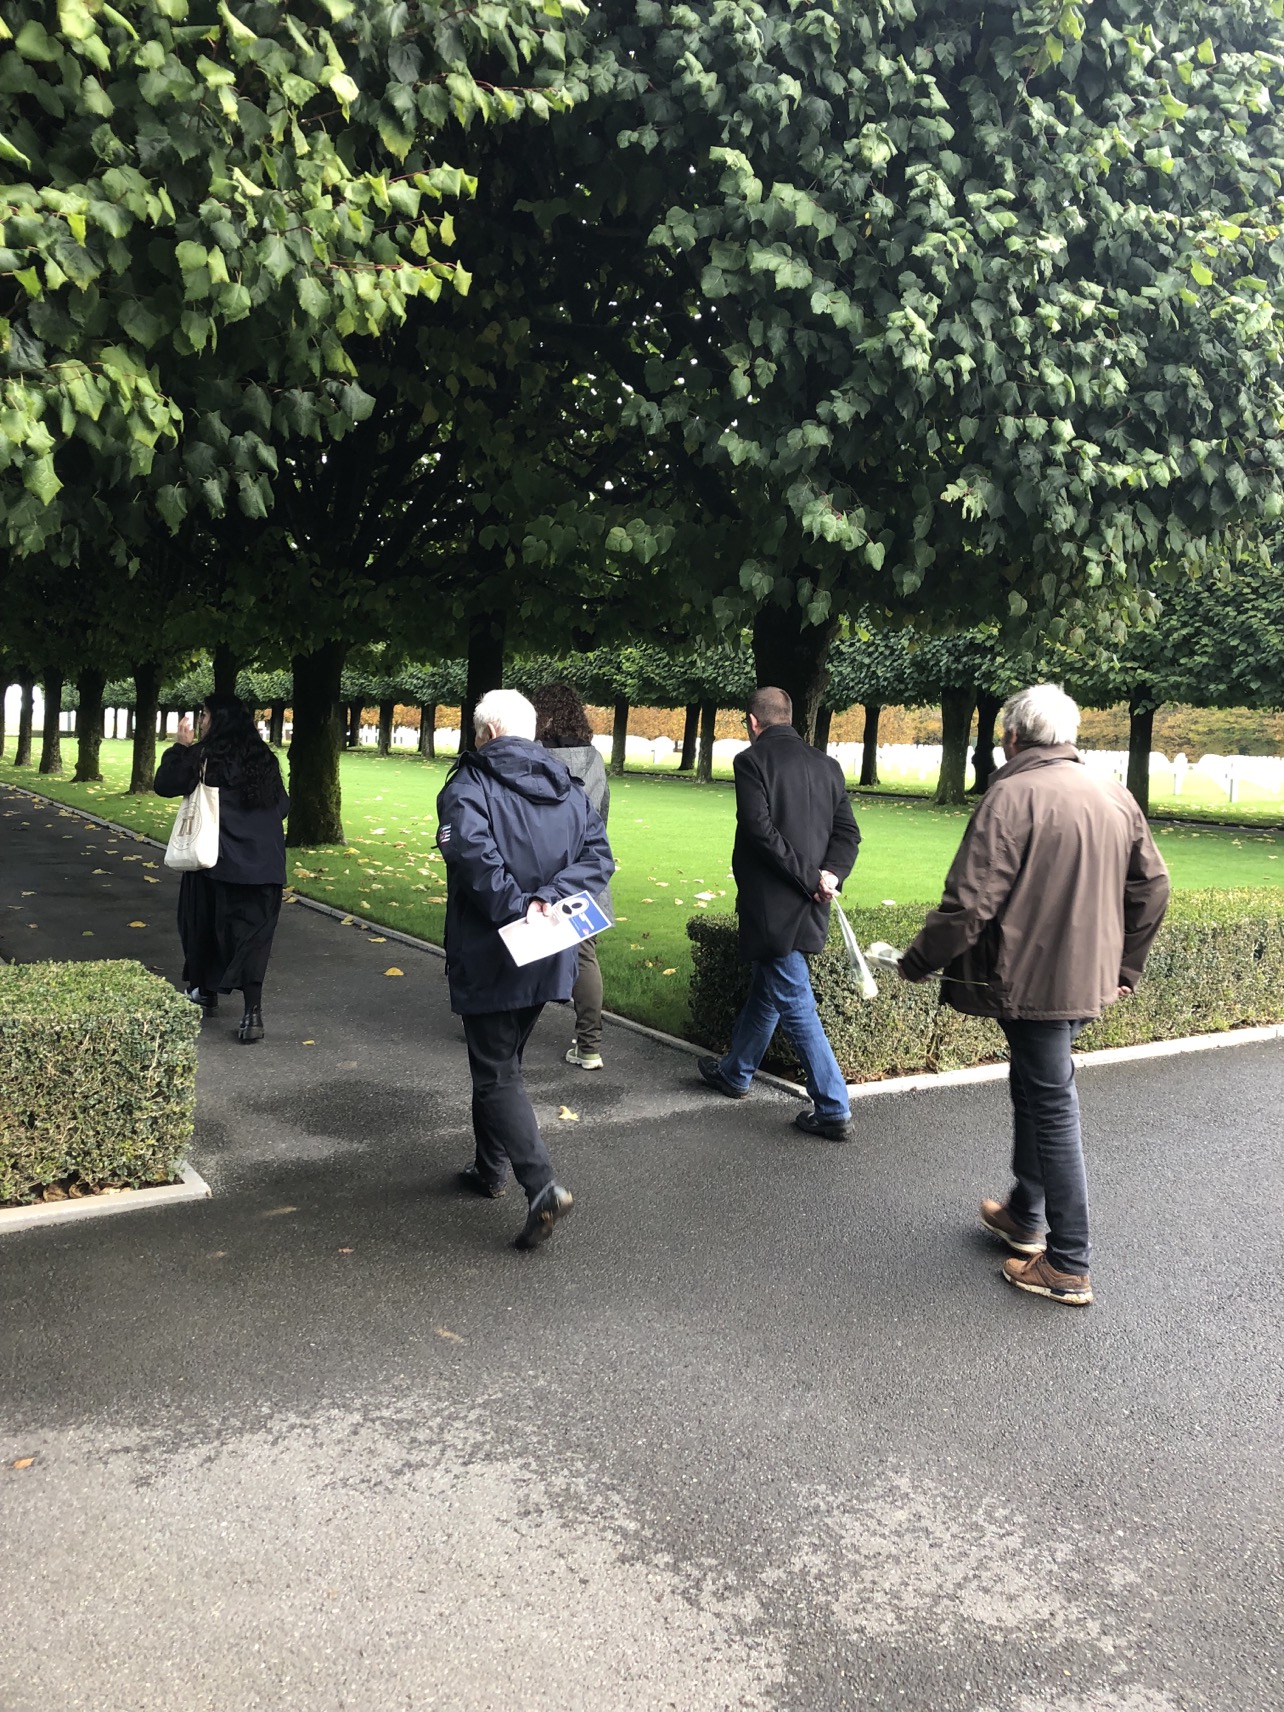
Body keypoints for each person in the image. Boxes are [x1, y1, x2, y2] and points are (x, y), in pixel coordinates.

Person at [898, 684, 1170, 1307]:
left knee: (1052, 1105)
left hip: (1032, 979)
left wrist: (918, 961)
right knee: (1036, 1087)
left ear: (1014, 736)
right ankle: (1026, 1212)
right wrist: (1125, 965)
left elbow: (970, 904)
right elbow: (1153, 887)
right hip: (1082, 978)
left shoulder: (1012, 793)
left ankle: (1069, 1261)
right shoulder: (1111, 792)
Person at [436, 689, 614, 1250]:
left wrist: (521, 908)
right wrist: (547, 902)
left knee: (496, 1072)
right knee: (501, 1063)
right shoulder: (570, 787)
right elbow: (599, 858)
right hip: (549, 945)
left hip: (495, 947)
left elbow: (471, 857)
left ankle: (540, 1186)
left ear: (485, 733)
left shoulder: (468, 783)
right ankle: (487, 1167)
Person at [697, 685, 861, 1141]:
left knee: (794, 1001)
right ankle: (736, 1072)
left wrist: (811, 878)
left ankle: (832, 1106)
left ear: (753, 722)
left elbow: (759, 831)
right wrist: (829, 874)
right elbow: (849, 834)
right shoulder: (828, 767)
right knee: (770, 989)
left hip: (774, 904)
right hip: (811, 903)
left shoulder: (751, 762)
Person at [155, 694, 290, 1044]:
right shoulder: (265, 759)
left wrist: (180, 748)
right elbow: (283, 807)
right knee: (252, 939)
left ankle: (204, 989)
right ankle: (252, 1013)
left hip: (217, 861)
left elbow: (165, 784)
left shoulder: (203, 756)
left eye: (204, 714)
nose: (200, 721)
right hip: (265, 865)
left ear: (218, 720)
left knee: (201, 925)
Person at [531, 683, 612, 1071]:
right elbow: (602, 814)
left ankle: (493, 1023)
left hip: (539, 869)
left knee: (515, 945)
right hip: (585, 869)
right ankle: (589, 1045)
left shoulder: (532, 756)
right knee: (584, 956)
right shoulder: (593, 759)